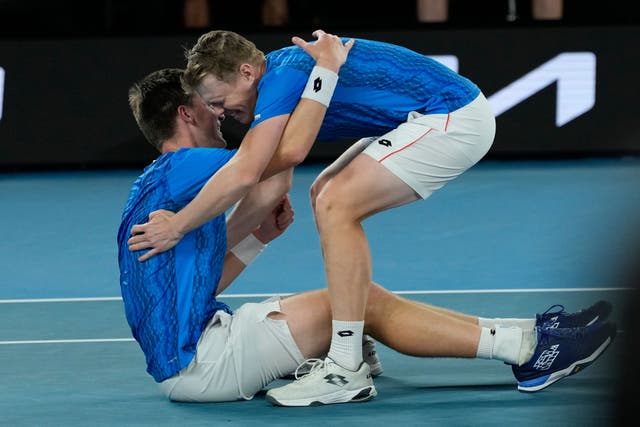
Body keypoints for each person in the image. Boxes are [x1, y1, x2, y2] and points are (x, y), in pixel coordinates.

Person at [125, 30, 616, 406]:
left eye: (219, 102)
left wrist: (187, 225)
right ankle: (534, 338)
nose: (222, 115)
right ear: (186, 116)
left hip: (448, 117)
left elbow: (273, 163)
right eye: (210, 108)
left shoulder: (276, 81)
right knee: (330, 204)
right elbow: (269, 175)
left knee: (335, 203)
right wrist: (242, 235)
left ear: (247, 75)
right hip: (437, 116)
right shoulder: (216, 140)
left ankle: (344, 363)